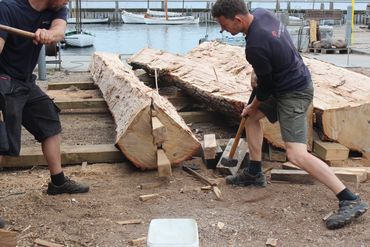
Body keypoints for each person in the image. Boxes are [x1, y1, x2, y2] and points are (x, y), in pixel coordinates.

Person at [212, 0, 368, 230]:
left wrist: (254, 104)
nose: (222, 30)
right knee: (252, 119)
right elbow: (275, 51)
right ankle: (255, 172)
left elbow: (264, 89)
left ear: (237, 19)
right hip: (290, 80)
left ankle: (349, 199)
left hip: (293, 92)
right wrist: (258, 72)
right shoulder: (263, 15)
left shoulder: (254, 45)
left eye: (224, 25)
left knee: (296, 154)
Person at [0, 0, 89, 228]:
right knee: (3, 143)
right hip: (4, 80)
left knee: (49, 122)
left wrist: (50, 34)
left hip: (25, 82)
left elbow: (60, 30)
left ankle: (58, 183)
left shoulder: (56, 8)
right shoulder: (7, 9)